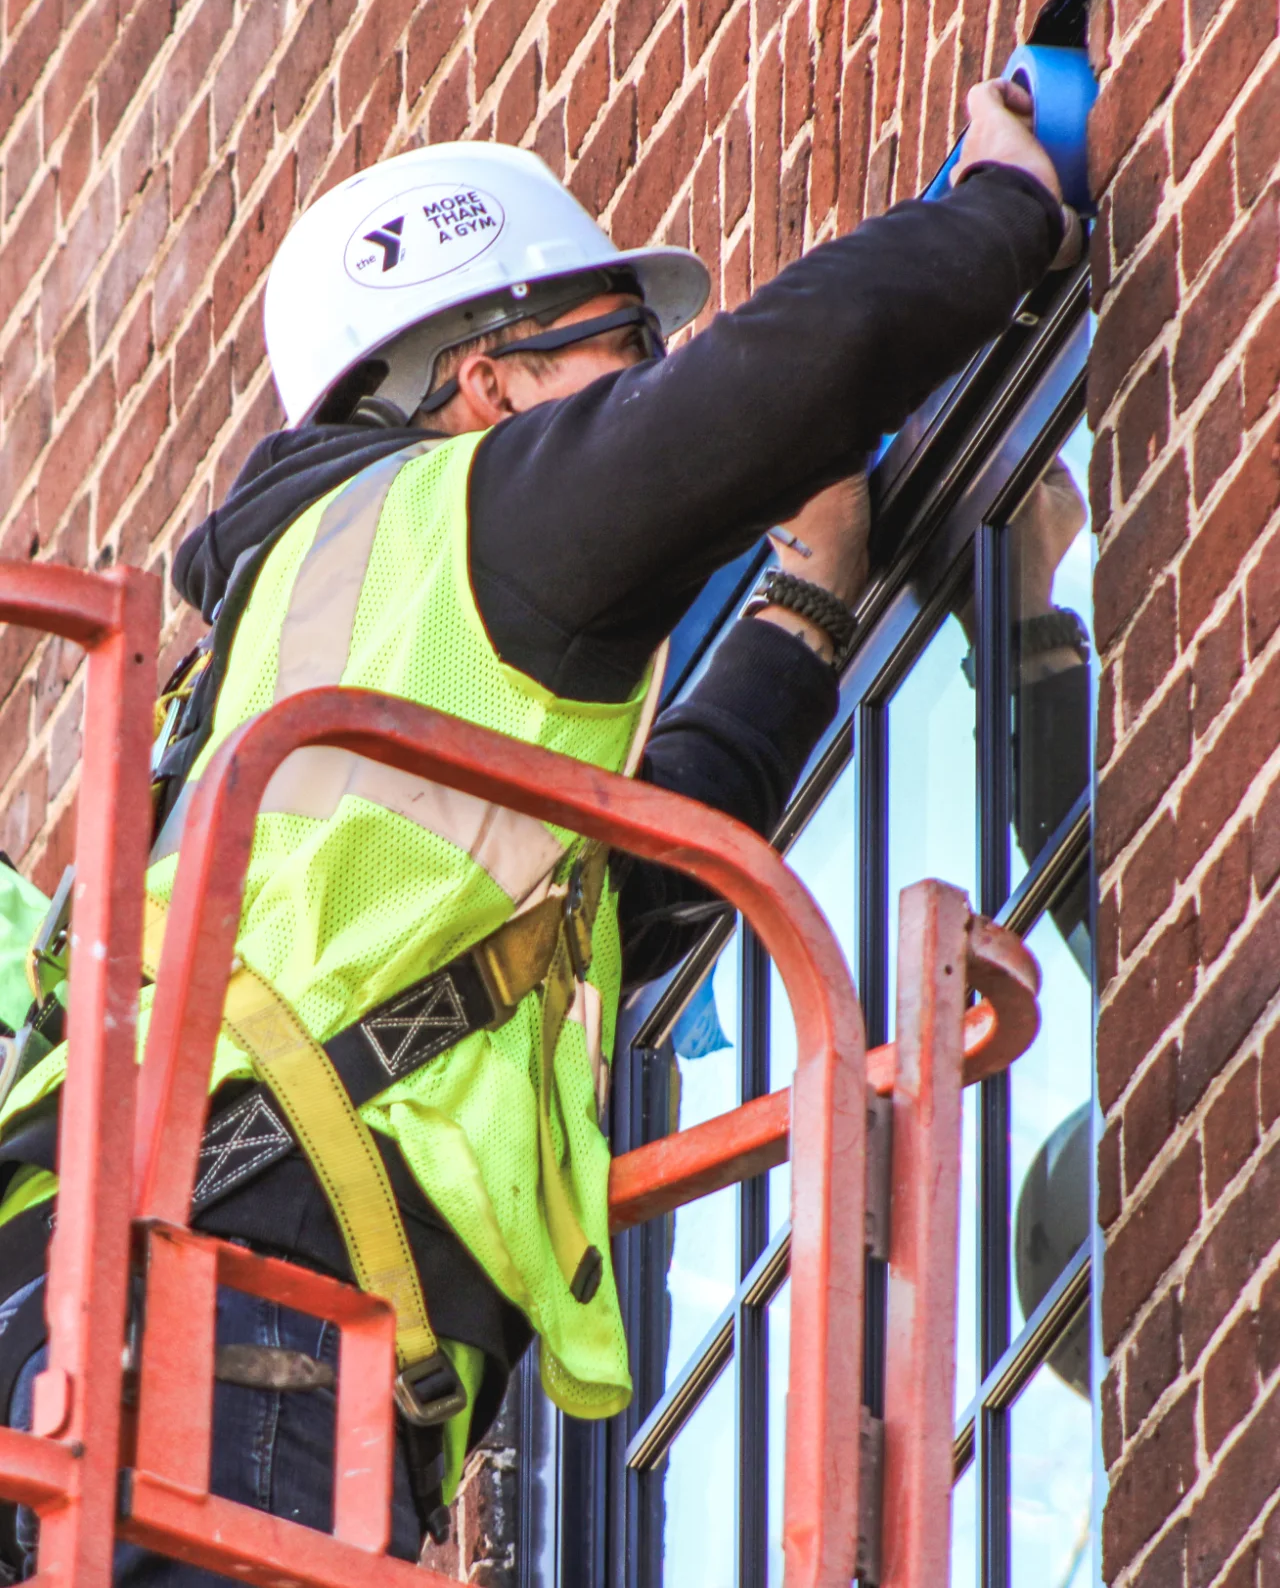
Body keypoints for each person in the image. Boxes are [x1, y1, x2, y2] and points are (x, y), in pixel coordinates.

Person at [0, 78, 1067, 1580]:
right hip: (217, 1320)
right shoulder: (459, 523)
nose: (656, 376)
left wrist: (802, 617)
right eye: (625, 345)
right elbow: (777, 383)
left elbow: (606, 898)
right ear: (486, 381)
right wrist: (1007, 208)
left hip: (127, 1318)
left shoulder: (287, 663)